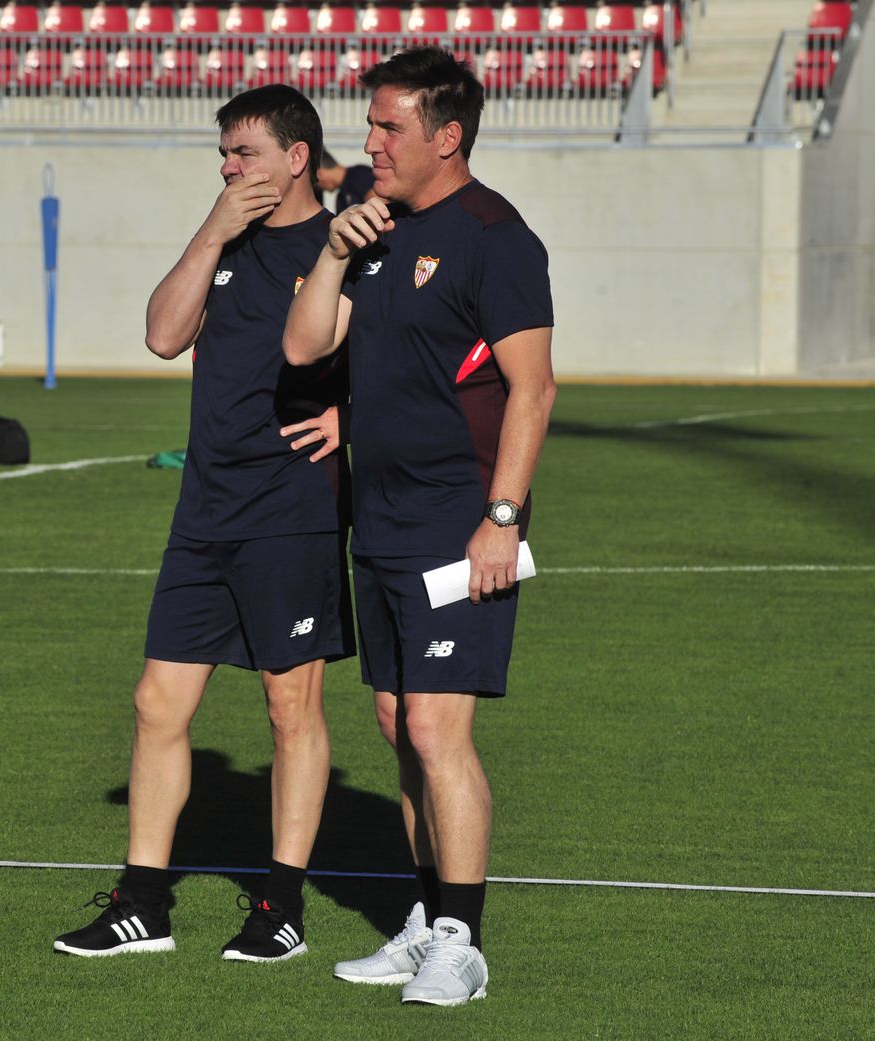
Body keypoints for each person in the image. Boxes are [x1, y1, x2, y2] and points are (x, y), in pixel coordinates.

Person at [54, 84, 354, 963]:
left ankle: (281, 906)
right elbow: (161, 335)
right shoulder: (224, 240)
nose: (228, 169)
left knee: (289, 705)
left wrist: (353, 417)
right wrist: (212, 231)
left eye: (244, 153)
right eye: (223, 155)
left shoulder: (345, 245)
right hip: (205, 511)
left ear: (296, 157)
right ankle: (142, 903)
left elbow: (411, 359)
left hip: (291, 509)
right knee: (157, 701)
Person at [284, 48, 556, 1006]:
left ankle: (461, 945)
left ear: (447, 137)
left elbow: (533, 388)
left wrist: (501, 519)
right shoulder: (374, 228)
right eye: (370, 123)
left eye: (388, 126)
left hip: (461, 519)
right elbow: (305, 347)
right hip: (382, 517)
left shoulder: (497, 238)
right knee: (399, 723)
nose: (369, 142)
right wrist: (332, 250)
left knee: (438, 726)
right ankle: (425, 917)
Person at [315, 150, 377, 215]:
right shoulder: (340, 198)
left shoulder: (359, 174)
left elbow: (376, 205)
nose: (319, 187)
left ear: (319, 174)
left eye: (316, 184)